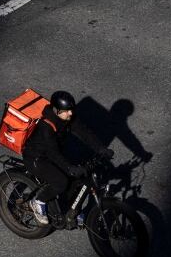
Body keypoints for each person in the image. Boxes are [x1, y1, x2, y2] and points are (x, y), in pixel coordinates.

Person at [23, 90, 114, 225]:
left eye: (71, 109)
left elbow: (84, 132)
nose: (70, 113)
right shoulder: (46, 126)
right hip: (36, 158)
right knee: (61, 182)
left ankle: (69, 208)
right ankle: (38, 201)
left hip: (54, 152)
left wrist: (101, 148)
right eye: (67, 111)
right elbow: (52, 153)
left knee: (79, 175)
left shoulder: (67, 117)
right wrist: (69, 168)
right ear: (56, 110)